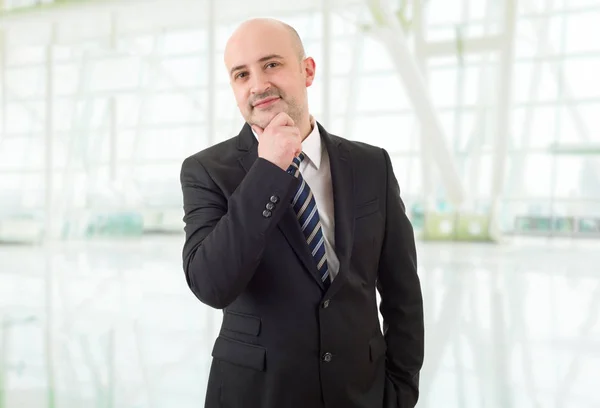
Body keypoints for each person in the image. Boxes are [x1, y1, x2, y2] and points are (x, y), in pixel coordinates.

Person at [179, 17, 424, 408]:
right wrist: (268, 172)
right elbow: (212, 284)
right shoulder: (207, 170)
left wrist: (401, 391)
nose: (258, 84)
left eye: (271, 64)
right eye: (241, 75)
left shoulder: (371, 164)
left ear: (307, 70)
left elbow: (402, 292)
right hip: (256, 395)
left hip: (361, 393)